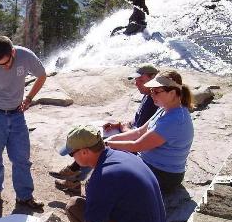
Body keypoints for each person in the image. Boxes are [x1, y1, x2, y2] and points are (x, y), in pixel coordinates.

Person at [64, 125, 166, 222]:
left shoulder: (102, 179)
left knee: (74, 206)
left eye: (71, 154)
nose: (72, 158)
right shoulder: (121, 155)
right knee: (90, 194)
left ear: (85, 152)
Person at [50, 64, 159, 195]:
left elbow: (141, 135)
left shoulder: (155, 101)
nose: (136, 84)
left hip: (139, 148)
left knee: (94, 144)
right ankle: (73, 177)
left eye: (141, 80)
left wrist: (123, 129)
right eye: (136, 80)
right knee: (92, 132)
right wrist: (119, 124)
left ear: (153, 78)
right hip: (130, 135)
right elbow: (137, 121)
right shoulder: (149, 95)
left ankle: (72, 176)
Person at [0, 36, 46, 211]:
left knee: (21, 158)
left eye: (7, 63)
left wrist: (29, 98)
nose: (5, 67)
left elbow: (42, 75)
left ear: (13, 52)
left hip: (17, 114)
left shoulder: (25, 56)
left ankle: (25, 197)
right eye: (0, 64)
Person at [106, 70, 194, 193]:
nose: (152, 94)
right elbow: (139, 132)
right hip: (149, 164)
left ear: (173, 93)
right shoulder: (164, 109)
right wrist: (109, 140)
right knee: (110, 163)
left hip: (163, 175)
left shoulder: (174, 120)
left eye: (156, 91)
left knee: (111, 175)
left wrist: (107, 145)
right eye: (152, 90)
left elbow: (137, 145)